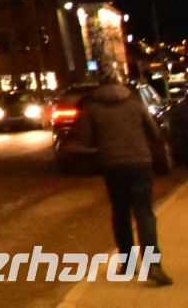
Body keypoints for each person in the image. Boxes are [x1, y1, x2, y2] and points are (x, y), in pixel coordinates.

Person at [73, 71, 172, 286]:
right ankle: (154, 265)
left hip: (112, 166)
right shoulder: (135, 103)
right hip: (140, 164)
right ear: (121, 85)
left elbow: (86, 140)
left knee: (120, 214)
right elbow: (155, 133)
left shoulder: (92, 108)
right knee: (144, 213)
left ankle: (127, 265)